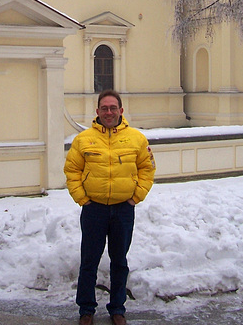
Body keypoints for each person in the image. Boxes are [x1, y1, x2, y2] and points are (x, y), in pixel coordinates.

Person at [64, 90, 156, 325]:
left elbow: (148, 168)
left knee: (119, 261)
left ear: (121, 111)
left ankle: (117, 308)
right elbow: (72, 170)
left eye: (112, 108)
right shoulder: (83, 139)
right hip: (94, 209)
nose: (108, 112)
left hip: (123, 210)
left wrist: (136, 196)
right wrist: (82, 198)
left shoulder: (136, 139)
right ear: (97, 112)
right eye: (104, 108)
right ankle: (86, 310)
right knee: (89, 261)